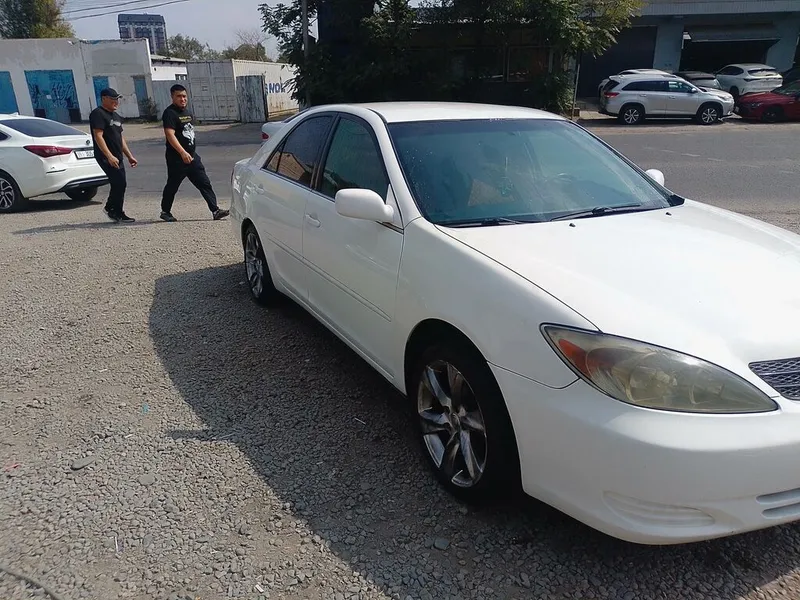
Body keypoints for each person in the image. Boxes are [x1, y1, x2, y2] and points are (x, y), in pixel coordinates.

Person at [159, 84, 230, 222]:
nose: (182, 99)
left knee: (204, 182)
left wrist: (189, 153)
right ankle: (165, 211)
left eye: (184, 96)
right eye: (179, 96)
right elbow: (170, 134)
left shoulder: (187, 112)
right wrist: (182, 152)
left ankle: (215, 210)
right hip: (177, 158)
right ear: (172, 97)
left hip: (192, 157)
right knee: (172, 185)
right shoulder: (170, 113)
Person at [89, 88, 138, 223]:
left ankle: (114, 209)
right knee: (118, 182)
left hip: (117, 156)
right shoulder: (98, 114)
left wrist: (129, 156)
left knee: (121, 184)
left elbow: (120, 138)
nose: (116, 102)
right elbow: (98, 136)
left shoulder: (116, 116)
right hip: (106, 156)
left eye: (117, 99)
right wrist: (109, 156)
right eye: (112, 99)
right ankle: (114, 210)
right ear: (104, 99)